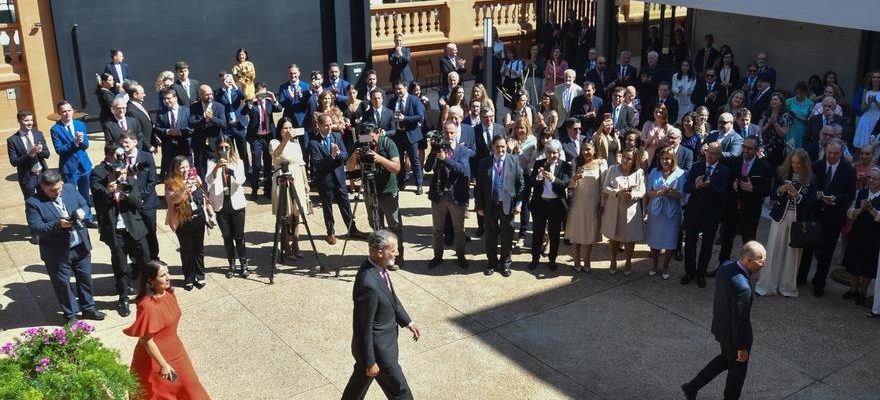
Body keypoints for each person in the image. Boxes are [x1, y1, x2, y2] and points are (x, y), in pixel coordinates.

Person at [681, 241, 766, 400]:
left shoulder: (725, 267)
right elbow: (739, 321)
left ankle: (692, 387)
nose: (763, 264)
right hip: (736, 338)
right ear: (747, 259)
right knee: (737, 374)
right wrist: (742, 348)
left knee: (725, 360)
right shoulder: (743, 288)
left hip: (721, 328)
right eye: (760, 260)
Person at [342, 230, 421, 400]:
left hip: (382, 345)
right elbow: (362, 327)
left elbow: (391, 298)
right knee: (401, 392)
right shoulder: (367, 283)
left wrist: (409, 322)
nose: (397, 253)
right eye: (393, 250)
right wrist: (370, 361)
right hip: (379, 350)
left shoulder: (379, 269)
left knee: (358, 385)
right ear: (379, 252)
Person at [26, 170, 105, 323]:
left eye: (59, 188)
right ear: (43, 187)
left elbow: (84, 203)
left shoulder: (68, 188)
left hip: (80, 246)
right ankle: (71, 315)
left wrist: (83, 212)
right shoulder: (34, 203)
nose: (58, 192)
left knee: (85, 278)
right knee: (63, 284)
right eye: (53, 190)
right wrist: (57, 224)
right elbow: (35, 227)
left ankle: (89, 308)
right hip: (57, 252)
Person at [123, 261, 210, 400]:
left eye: (168, 273)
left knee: (191, 388)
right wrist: (163, 365)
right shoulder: (148, 306)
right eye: (163, 275)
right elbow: (146, 340)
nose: (168, 277)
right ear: (151, 280)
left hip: (176, 351)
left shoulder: (168, 292)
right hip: (155, 360)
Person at [90, 141, 149, 317]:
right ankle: (123, 297)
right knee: (120, 265)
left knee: (145, 259)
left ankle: (146, 292)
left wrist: (126, 191)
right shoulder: (97, 174)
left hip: (135, 228)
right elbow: (98, 203)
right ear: (109, 155)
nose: (122, 160)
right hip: (115, 230)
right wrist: (108, 191)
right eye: (118, 156)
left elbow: (138, 203)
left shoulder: (127, 174)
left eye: (123, 156)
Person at [346, 113, 405, 267]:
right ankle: (380, 255)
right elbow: (350, 168)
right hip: (370, 192)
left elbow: (397, 168)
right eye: (365, 138)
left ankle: (397, 256)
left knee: (395, 226)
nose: (369, 142)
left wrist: (379, 158)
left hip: (387, 192)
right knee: (375, 225)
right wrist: (354, 155)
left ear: (378, 132)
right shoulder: (361, 146)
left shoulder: (388, 144)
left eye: (371, 137)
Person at [798, 139, 856, 297]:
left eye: (835, 153)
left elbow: (850, 194)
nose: (831, 156)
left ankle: (819, 283)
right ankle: (801, 277)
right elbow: (806, 186)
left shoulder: (848, 170)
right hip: (814, 214)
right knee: (807, 249)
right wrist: (815, 195)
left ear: (841, 153)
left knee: (826, 254)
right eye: (829, 152)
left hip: (833, 217)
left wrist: (835, 199)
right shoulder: (816, 166)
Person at [755, 149, 816, 297]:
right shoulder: (782, 173)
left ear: (804, 163)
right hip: (780, 217)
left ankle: (787, 287)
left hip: (798, 219)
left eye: (798, 163)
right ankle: (768, 285)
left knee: (793, 253)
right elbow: (773, 194)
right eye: (793, 162)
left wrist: (798, 196)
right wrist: (781, 189)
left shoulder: (811, 178)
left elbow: (812, 202)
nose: (795, 166)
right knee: (774, 249)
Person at [715, 136, 771, 270]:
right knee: (727, 239)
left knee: (749, 243)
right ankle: (722, 267)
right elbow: (726, 181)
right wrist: (732, 185)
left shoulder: (764, 167)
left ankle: (747, 272)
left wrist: (753, 189)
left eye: (750, 148)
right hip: (732, 208)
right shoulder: (735, 162)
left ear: (757, 150)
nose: (746, 150)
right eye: (744, 147)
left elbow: (767, 191)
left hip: (751, 211)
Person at [310, 113, 367, 245]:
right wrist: (332, 156)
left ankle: (352, 229)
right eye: (326, 125)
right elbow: (317, 163)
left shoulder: (336, 136)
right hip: (325, 180)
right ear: (319, 126)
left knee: (345, 205)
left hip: (339, 178)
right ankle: (330, 232)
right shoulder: (314, 143)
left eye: (330, 124)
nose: (329, 127)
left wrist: (339, 154)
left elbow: (346, 155)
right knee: (328, 208)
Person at [682, 143, 730, 288]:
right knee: (690, 242)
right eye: (709, 152)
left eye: (714, 153)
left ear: (719, 156)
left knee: (707, 245)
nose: (710, 155)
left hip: (711, 214)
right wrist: (696, 186)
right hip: (694, 211)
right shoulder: (697, 167)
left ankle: (700, 273)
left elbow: (723, 194)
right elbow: (686, 188)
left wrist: (710, 186)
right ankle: (689, 271)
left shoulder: (724, 171)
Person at [475, 135, 524, 277]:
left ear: (506, 147)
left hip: (507, 204)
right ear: (493, 147)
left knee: (507, 235)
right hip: (490, 205)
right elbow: (478, 187)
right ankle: (492, 263)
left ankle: (505, 264)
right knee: (490, 235)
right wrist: (479, 206)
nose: (500, 149)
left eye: (503, 146)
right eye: (497, 146)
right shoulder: (484, 163)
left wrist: (519, 203)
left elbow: (521, 184)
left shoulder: (513, 161)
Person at [426, 122, 472, 270]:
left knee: (459, 230)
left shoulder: (462, 150)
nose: (449, 136)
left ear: (456, 133)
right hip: (439, 195)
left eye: (452, 133)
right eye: (446, 133)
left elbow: (462, 169)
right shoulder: (437, 148)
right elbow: (427, 168)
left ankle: (461, 256)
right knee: (437, 230)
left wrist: (445, 159)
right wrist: (434, 152)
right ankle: (437, 256)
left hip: (456, 196)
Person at [164, 156, 214, 290]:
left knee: (199, 249)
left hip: (198, 218)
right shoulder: (171, 183)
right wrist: (184, 188)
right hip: (183, 221)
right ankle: (189, 277)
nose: (185, 170)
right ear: (175, 169)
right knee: (187, 251)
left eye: (187, 166)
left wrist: (210, 212)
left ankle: (200, 274)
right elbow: (173, 200)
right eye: (181, 167)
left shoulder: (195, 179)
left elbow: (203, 196)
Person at [206, 136, 250, 278]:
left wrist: (229, 169)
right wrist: (217, 168)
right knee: (227, 236)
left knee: (239, 236)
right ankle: (232, 264)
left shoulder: (238, 162)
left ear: (231, 148)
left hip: (236, 203)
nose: (223, 150)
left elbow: (241, 180)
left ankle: (244, 263)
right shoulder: (212, 163)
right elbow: (209, 181)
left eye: (226, 147)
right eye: (221, 148)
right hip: (220, 203)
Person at [50, 100, 97, 226]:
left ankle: (88, 217)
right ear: (59, 113)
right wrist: (75, 143)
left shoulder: (80, 124)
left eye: (69, 110)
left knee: (85, 193)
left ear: (73, 111)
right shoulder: (56, 129)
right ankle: (76, 218)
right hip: (69, 168)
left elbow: (86, 145)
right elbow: (59, 150)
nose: (67, 113)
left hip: (84, 165)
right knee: (72, 195)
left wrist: (81, 141)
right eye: (64, 111)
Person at [526, 139, 571, 271]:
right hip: (540, 204)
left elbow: (565, 184)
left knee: (554, 234)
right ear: (545, 152)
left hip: (556, 205)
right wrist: (539, 177)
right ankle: (535, 258)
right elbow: (531, 182)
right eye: (548, 152)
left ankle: (552, 259)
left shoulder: (565, 166)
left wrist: (552, 178)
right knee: (537, 233)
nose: (551, 156)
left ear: (559, 152)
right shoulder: (539, 163)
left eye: (554, 153)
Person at [118, 130, 162, 263]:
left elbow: (152, 179)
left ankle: (154, 258)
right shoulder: (119, 159)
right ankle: (137, 259)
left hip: (146, 203)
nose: (123, 145)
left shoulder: (146, 156)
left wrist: (140, 197)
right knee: (132, 233)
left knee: (150, 232)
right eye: (122, 142)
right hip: (129, 204)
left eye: (126, 142)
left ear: (135, 142)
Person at [600, 147, 645, 275]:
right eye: (624, 157)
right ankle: (613, 260)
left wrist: (632, 195)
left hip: (631, 209)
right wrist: (617, 192)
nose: (625, 160)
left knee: (629, 238)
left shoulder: (639, 172)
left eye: (629, 158)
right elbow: (605, 187)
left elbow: (642, 190)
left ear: (634, 160)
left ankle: (628, 261)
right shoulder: (613, 169)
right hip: (614, 208)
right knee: (614, 237)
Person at [270, 117, 310, 260]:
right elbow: (277, 154)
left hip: (297, 177)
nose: (288, 131)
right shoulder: (274, 142)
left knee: (296, 213)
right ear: (280, 129)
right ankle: (286, 246)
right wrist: (286, 139)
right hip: (282, 177)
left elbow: (301, 163)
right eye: (285, 128)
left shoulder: (296, 143)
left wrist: (306, 182)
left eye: (290, 128)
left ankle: (296, 244)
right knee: (285, 214)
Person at [644, 146, 686, 279]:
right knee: (654, 239)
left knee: (670, 240)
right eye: (662, 158)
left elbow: (682, 195)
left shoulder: (680, 173)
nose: (664, 161)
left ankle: (666, 266)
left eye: (667, 158)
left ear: (673, 159)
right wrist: (659, 193)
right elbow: (648, 192)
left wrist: (669, 192)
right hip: (655, 211)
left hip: (671, 212)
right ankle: (654, 264)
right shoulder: (654, 172)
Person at [841, 168, 880, 305]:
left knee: (868, 265)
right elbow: (850, 212)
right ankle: (853, 289)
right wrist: (861, 210)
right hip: (858, 232)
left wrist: (871, 209)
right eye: (870, 178)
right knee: (854, 262)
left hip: (874, 236)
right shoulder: (862, 193)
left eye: (875, 179)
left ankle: (863, 291)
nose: (872, 181)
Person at [566, 140, 606, 272]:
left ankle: (587, 257)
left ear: (594, 149)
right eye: (583, 149)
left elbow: (603, 186)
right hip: (578, 201)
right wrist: (574, 179)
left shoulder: (601, 163)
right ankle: (577, 256)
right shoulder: (576, 162)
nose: (585, 152)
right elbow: (570, 185)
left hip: (593, 202)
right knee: (577, 229)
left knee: (590, 230)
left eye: (588, 149)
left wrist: (602, 203)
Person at [387, 80, 425, 194]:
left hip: (411, 134)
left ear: (406, 88)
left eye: (400, 89)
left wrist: (405, 118)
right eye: (396, 89)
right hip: (398, 135)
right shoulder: (393, 101)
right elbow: (389, 115)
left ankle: (419, 184)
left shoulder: (414, 100)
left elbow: (419, 116)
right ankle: (401, 182)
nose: (398, 91)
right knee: (399, 160)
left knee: (414, 160)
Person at [245, 82, 281, 198]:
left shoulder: (270, 103)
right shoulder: (252, 104)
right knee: (256, 164)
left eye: (264, 93)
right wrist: (252, 100)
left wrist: (274, 99)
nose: (262, 96)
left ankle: (267, 189)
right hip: (256, 137)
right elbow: (243, 112)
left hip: (269, 136)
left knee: (267, 164)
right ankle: (254, 189)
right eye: (260, 93)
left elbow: (279, 109)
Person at [8, 109, 50, 201]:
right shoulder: (13, 140)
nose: (30, 123)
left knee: (47, 202)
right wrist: (29, 155)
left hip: (42, 175)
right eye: (26, 120)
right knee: (31, 204)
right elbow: (14, 162)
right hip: (27, 178)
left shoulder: (38, 134)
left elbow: (47, 154)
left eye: (31, 120)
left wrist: (39, 151)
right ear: (19, 121)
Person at [188, 84, 227, 180]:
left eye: (211, 94)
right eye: (206, 95)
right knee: (201, 169)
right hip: (200, 144)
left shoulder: (219, 106)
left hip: (215, 143)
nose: (210, 96)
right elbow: (191, 122)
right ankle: (203, 191)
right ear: (200, 95)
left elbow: (223, 123)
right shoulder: (194, 107)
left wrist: (212, 118)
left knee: (217, 167)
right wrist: (204, 120)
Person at [215, 72, 250, 178]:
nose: (228, 81)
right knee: (229, 151)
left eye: (229, 78)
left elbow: (244, 96)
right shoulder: (218, 92)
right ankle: (230, 172)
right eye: (226, 79)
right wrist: (224, 88)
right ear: (221, 80)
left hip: (239, 124)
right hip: (227, 126)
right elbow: (217, 100)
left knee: (243, 151)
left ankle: (247, 171)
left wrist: (234, 85)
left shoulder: (236, 90)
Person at [153, 89, 192, 180]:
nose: (166, 101)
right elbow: (157, 128)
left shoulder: (186, 111)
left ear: (175, 98)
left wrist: (180, 132)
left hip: (184, 148)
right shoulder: (161, 113)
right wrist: (167, 131)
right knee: (171, 175)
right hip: (169, 149)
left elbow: (191, 127)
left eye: (168, 98)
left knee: (186, 174)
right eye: (164, 99)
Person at [760, 93, 792, 168]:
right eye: (771, 100)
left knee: (773, 168)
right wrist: (769, 123)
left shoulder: (786, 115)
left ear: (781, 102)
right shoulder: (765, 113)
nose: (773, 101)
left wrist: (775, 123)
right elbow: (760, 131)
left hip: (777, 147)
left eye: (775, 99)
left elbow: (783, 134)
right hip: (764, 145)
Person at [125, 82, 157, 154]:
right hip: (143, 148)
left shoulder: (138, 105)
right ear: (135, 95)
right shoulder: (131, 111)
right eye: (142, 93)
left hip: (149, 143)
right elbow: (138, 132)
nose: (144, 95)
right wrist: (149, 146)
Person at [855, 71, 880, 149]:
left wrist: (875, 101)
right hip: (867, 118)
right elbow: (862, 108)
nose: (876, 79)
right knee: (864, 143)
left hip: (877, 119)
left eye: (878, 77)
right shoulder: (866, 92)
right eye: (874, 77)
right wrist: (869, 103)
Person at [785, 82, 814, 148]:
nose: (799, 95)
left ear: (806, 93)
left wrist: (800, 117)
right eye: (797, 92)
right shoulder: (788, 102)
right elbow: (784, 116)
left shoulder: (810, 104)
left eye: (802, 93)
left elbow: (811, 121)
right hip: (790, 130)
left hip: (803, 132)